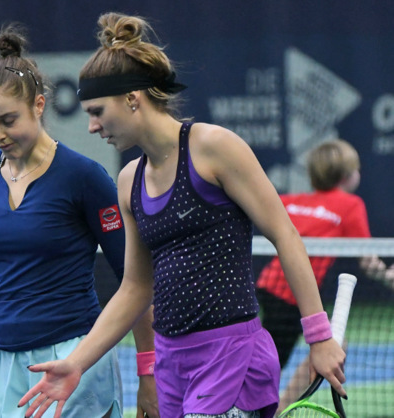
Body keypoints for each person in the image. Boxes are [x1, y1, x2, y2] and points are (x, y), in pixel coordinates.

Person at [18, 12, 347, 418]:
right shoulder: (128, 181)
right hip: (172, 364)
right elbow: (136, 288)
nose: (91, 126)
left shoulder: (214, 147)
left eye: (98, 111)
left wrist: (318, 335)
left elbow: (285, 235)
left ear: (132, 99)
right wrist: (76, 363)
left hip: (231, 357)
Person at [0, 23, 157, 418]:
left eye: (8, 120)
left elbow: (135, 282)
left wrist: (148, 374)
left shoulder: (84, 177)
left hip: (77, 360)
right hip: (0, 367)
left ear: (39, 105)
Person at [254, 139, 394, 413]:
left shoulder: (292, 200)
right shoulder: (350, 205)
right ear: (347, 176)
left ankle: (278, 406)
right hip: (289, 296)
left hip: (267, 286)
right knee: (266, 365)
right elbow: (367, 260)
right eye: (357, 169)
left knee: (324, 345)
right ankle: (262, 408)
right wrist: (388, 277)